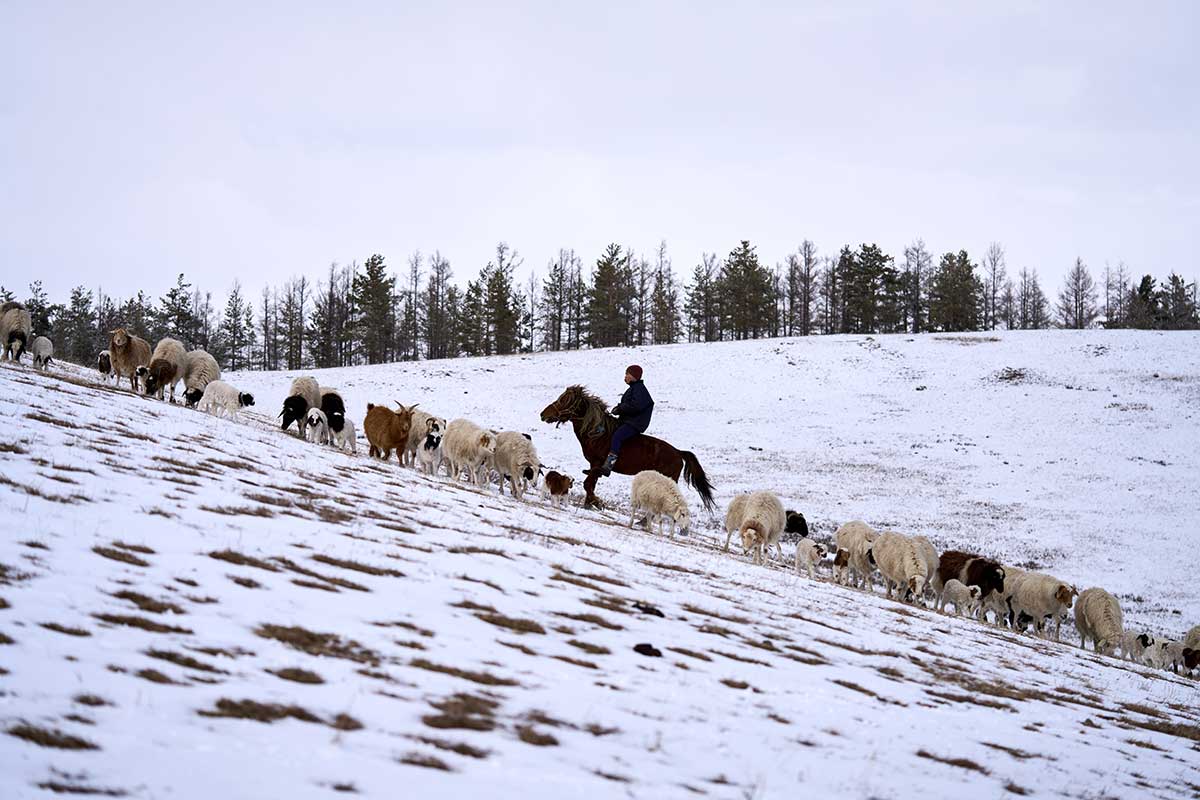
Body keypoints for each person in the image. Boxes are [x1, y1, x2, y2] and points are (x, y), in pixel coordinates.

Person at [600, 364, 653, 476]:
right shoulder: (634, 388)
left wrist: (620, 408)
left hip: (634, 423)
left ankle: (609, 464)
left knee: (617, 436)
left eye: (627, 374)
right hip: (627, 421)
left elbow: (636, 406)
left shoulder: (639, 389)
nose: (625, 377)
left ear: (634, 376)